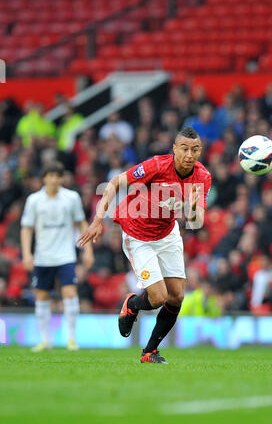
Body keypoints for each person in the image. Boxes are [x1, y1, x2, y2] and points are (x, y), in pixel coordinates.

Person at [77, 127, 211, 364]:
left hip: (167, 234)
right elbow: (116, 182)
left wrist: (188, 205)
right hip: (138, 235)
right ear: (174, 149)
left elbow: (195, 221)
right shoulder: (157, 166)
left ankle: (149, 351)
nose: (189, 155)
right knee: (158, 297)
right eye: (184, 149)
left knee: (177, 296)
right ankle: (132, 304)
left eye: (195, 149)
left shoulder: (203, 177)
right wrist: (98, 219)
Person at [21, 161, 94, 352]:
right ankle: (45, 340)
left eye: (57, 175)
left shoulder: (71, 198)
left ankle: (71, 339)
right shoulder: (34, 200)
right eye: (50, 175)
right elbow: (27, 229)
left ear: (62, 178)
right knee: (42, 296)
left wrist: (88, 250)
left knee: (70, 293)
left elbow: (81, 224)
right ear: (44, 178)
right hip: (43, 256)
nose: (54, 179)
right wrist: (27, 254)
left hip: (65, 255)